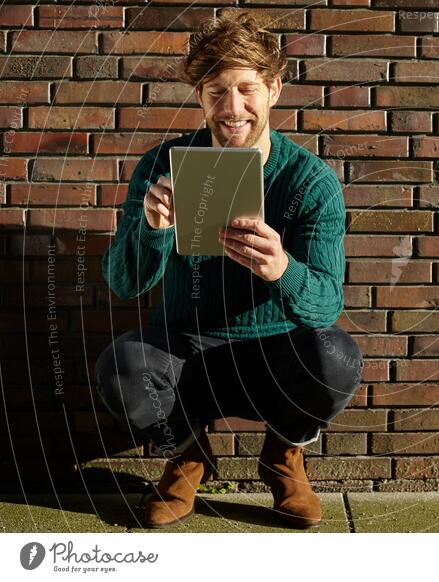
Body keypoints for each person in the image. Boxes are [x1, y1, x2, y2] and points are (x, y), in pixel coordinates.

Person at [94, 9, 363, 529]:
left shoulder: (310, 181)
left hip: (272, 355)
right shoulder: (161, 166)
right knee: (120, 366)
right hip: (184, 350)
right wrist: (152, 229)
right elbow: (124, 282)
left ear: (274, 90)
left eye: (246, 89)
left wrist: (282, 268)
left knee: (337, 356)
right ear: (199, 96)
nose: (232, 107)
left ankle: (284, 458)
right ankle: (189, 456)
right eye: (216, 90)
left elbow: (328, 302)